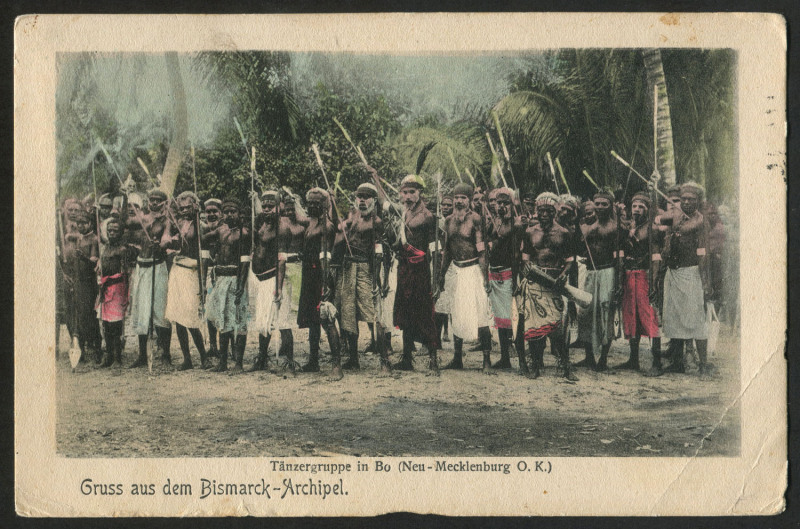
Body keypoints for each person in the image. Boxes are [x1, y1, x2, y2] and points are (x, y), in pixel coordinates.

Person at [519, 192, 578, 381]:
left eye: (548, 211)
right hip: (535, 283)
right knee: (535, 328)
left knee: (557, 328)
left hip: (554, 283)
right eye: (541, 211)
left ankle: (565, 366)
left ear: (554, 212)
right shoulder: (530, 232)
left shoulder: (564, 233)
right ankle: (535, 364)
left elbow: (570, 260)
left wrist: (563, 275)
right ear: (537, 211)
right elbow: (525, 258)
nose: (544, 214)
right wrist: (526, 268)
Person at [437, 182, 494, 372]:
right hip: (456, 271)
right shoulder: (448, 221)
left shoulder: (476, 220)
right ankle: (457, 358)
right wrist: (441, 275)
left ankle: (486, 360)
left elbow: (482, 251)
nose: (459, 201)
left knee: (480, 315)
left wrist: (485, 277)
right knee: (457, 314)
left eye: (463, 198)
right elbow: (446, 251)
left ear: (469, 201)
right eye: (457, 198)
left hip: (474, 271)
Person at [337, 183, 390, 373]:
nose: (362, 200)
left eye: (366, 197)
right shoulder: (353, 217)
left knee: (373, 315)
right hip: (348, 268)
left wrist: (377, 279)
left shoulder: (376, 222)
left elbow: (379, 253)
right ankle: (353, 359)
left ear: (374, 200)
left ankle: (385, 361)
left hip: (365, 269)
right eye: (359, 196)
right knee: (348, 315)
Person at [661, 182, 713, 377]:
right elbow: (655, 219)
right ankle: (677, 362)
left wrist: (705, 280)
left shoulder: (700, 222)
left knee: (696, 319)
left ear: (698, 201)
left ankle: (704, 364)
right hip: (673, 273)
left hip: (691, 273)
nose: (687, 202)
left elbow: (703, 253)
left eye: (691, 199)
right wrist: (652, 188)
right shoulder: (674, 215)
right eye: (684, 199)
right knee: (674, 318)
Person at [392, 175, 440, 374]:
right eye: (404, 192)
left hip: (420, 272)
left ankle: (433, 360)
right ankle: (406, 359)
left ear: (420, 193)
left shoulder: (427, 216)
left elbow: (435, 251)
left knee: (425, 314)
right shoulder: (403, 213)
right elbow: (381, 200)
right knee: (405, 313)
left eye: (412, 192)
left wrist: (436, 278)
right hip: (404, 270)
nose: (408, 196)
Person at [296, 188, 344, 380]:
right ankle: (314, 360)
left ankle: (336, 365)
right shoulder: (310, 222)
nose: (313, 206)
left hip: (320, 275)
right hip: (308, 274)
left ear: (325, 205)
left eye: (317, 203)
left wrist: (326, 284)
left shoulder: (327, 226)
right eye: (310, 202)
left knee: (326, 317)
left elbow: (326, 256)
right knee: (312, 321)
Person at [162, 191, 210, 370]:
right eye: (181, 208)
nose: (184, 211)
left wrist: (203, 282)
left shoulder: (201, 226)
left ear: (196, 206)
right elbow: (171, 243)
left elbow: (205, 256)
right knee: (177, 318)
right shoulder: (179, 224)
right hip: (177, 271)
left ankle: (204, 356)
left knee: (190, 317)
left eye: (188, 207)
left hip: (192, 272)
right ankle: (187, 358)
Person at [203, 198, 251, 373]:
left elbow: (245, 261)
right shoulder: (220, 229)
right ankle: (222, 362)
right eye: (227, 211)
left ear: (239, 214)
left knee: (238, 321)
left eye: (234, 211)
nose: (230, 214)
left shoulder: (244, 233)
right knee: (222, 321)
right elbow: (203, 238)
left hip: (235, 279)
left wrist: (241, 284)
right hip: (220, 279)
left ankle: (238, 363)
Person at [126, 189, 173, 368]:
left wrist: (161, 245)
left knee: (160, 312)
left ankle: (166, 354)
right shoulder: (143, 218)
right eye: (151, 200)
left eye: (158, 201)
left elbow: (167, 238)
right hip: (142, 267)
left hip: (157, 267)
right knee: (141, 311)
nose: (154, 203)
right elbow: (126, 222)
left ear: (164, 203)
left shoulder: (167, 221)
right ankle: (142, 356)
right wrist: (125, 197)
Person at [617, 191, 662, 375]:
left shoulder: (652, 228)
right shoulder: (628, 228)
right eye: (634, 206)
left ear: (647, 209)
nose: (636, 209)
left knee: (649, 317)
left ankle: (657, 363)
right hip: (628, 276)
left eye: (641, 207)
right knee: (631, 316)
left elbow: (656, 257)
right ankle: (633, 359)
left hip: (644, 276)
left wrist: (654, 282)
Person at [247, 190, 291, 372]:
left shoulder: (281, 227)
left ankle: (289, 360)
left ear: (279, 207)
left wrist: (279, 288)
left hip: (274, 279)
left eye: (270, 207)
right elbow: (258, 211)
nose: (266, 210)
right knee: (263, 322)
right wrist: (255, 198)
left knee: (281, 322)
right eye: (264, 206)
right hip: (260, 279)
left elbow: (282, 259)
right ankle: (262, 358)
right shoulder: (263, 222)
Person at [575, 189, 619, 371]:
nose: (600, 207)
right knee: (585, 312)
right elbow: (579, 246)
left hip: (607, 271)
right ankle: (588, 357)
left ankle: (603, 358)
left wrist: (618, 282)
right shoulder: (586, 226)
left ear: (611, 206)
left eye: (604, 204)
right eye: (597, 204)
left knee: (605, 311)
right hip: (590, 272)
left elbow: (619, 258)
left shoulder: (615, 227)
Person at [486, 187, 525, 369]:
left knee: (514, 317)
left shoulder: (516, 225)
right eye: (499, 203)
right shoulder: (495, 222)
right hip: (494, 272)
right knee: (501, 317)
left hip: (509, 273)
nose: (501, 206)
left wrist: (516, 279)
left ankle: (522, 359)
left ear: (512, 204)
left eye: (505, 203)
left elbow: (516, 254)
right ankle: (504, 358)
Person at [61, 209, 101, 363]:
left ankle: (98, 350)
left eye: (84, 223)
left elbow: (93, 260)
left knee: (90, 316)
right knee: (78, 316)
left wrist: (83, 257)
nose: (81, 226)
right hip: (77, 281)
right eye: (79, 223)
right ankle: (81, 350)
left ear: (90, 223)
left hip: (88, 283)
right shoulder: (76, 239)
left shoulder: (93, 239)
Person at [97, 218, 136, 368]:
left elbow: (125, 272)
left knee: (116, 325)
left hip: (117, 289)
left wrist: (111, 281)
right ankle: (108, 356)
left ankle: (117, 358)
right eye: (110, 231)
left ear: (120, 233)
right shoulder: (104, 247)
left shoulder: (123, 249)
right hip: (105, 289)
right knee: (106, 324)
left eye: (115, 231)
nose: (112, 233)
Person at [202, 198, 223, 358]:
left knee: (224, 310)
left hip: (225, 273)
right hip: (210, 271)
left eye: (214, 211)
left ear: (220, 213)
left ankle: (227, 346)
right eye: (208, 212)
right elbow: (203, 256)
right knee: (210, 310)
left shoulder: (226, 228)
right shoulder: (202, 231)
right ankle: (213, 346)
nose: (211, 214)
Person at [433, 195, 454, 344]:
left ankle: (448, 332)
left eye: (448, 205)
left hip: (453, 263)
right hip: (438, 261)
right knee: (438, 299)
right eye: (443, 205)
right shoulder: (437, 221)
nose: (445, 207)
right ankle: (437, 337)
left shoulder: (454, 221)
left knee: (449, 300)